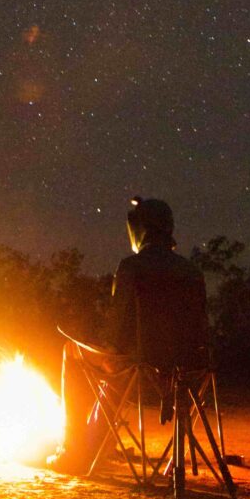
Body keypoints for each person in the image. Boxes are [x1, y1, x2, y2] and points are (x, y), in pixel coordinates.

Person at [49, 196, 209, 474]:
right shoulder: (192, 272)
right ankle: (102, 446)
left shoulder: (131, 267)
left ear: (141, 229)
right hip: (187, 376)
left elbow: (117, 330)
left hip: (143, 372)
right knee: (122, 365)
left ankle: (75, 450)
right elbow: (200, 328)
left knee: (75, 352)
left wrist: (106, 345)